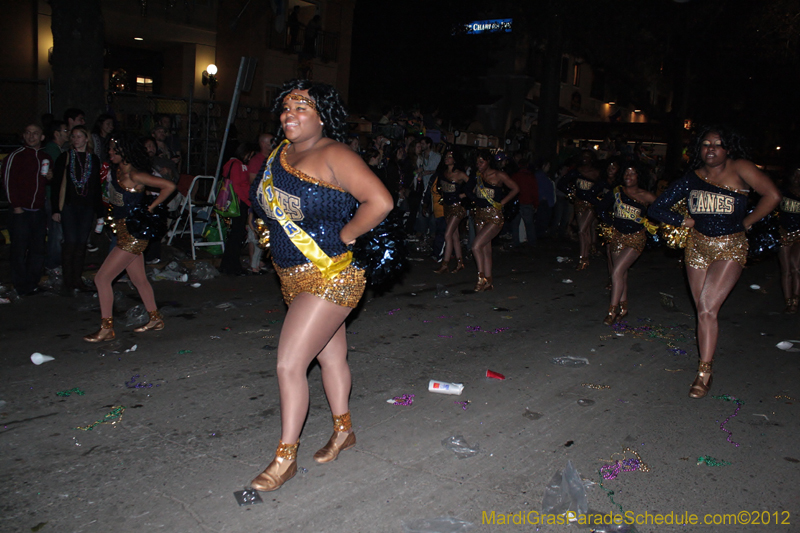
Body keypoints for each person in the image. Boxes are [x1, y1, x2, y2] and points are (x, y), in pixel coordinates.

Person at [248, 80, 392, 492]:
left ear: (322, 114)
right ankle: (344, 431)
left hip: (333, 273)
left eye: (301, 107)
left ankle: (284, 458)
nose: (288, 114)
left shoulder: (335, 154)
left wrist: (347, 236)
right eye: (285, 107)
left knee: (289, 364)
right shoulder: (280, 154)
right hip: (291, 275)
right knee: (331, 358)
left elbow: (380, 201)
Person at [648, 125, 781, 398]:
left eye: (717, 144)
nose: (711, 149)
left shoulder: (741, 167)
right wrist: (682, 220)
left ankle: (703, 372)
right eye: (706, 144)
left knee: (708, 308)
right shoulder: (692, 178)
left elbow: (773, 196)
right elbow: (656, 207)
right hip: (696, 247)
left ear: (728, 148)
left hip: (730, 247)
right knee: (702, 310)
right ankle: (706, 363)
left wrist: (746, 222)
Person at [84, 133, 176, 342]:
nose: (109, 153)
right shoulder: (116, 171)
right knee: (139, 279)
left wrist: (151, 207)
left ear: (123, 152)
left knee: (102, 278)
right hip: (122, 230)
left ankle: (106, 329)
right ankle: (155, 318)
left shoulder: (135, 175)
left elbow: (169, 186)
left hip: (133, 235)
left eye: (113, 150)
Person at [596, 160, 656, 324]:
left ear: (639, 176)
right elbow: (601, 208)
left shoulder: (647, 196)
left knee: (616, 272)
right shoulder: (617, 192)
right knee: (621, 273)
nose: (628, 176)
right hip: (617, 237)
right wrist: (610, 223)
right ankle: (624, 307)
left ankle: (612, 310)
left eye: (632, 173)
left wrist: (652, 226)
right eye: (626, 173)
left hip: (636, 239)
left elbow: (661, 212)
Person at [2, 124, 53, 296]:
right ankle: (20, 285)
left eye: (35, 133)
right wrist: (16, 206)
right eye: (28, 133)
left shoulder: (45, 157)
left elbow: (45, 182)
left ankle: (32, 283)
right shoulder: (15, 156)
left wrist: (49, 177)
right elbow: (8, 182)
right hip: (21, 211)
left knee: (37, 248)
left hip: (38, 210)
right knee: (19, 249)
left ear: (42, 137)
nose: (31, 137)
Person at [51, 126, 102, 293]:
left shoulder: (93, 159)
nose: (76, 139)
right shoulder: (65, 157)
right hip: (69, 206)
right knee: (70, 242)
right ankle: (68, 281)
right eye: (73, 136)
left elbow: (96, 186)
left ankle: (77, 279)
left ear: (86, 139)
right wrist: (55, 209)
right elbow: (56, 184)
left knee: (81, 243)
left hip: (86, 206)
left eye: (79, 136)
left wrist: (100, 211)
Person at [468, 149, 519, 291]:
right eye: (477, 162)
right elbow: (472, 191)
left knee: (476, 246)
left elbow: (515, 188)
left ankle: (481, 278)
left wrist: (502, 203)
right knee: (485, 248)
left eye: (481, 162)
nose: (479, 165)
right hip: (479, 215)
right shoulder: (478, 176)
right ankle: (489, 281)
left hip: (494, 216)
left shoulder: (498, 175)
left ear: (488, 161)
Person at [219, 142, 257, 275]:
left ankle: (229, 265)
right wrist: (248, 202)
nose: (250, 158)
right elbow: (237, 186)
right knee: (237, 235)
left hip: (241, 202)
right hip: (239, 202)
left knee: (237, 235)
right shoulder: (236, 165)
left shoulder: (238, 165)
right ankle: (232, 266)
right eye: (249, 155)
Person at [434, 149, 469, 273]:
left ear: (455, 160)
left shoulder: (460, 174)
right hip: (447, 207)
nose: (447, 158)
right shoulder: (443, 173)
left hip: (457, 207)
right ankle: (460, 263)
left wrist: (462, 195)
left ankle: (445, 264)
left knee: (448, 234)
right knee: (454, 236)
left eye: (450, 156)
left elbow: (473, 187)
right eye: (446, 156)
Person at [778, 165, 800, 313]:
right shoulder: (782, 192)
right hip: (783, 232)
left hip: (799, 234)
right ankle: (788, 302)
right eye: (796, 175)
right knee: (785, 269)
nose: (797, 178)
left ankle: (795, 301)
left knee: (796, 268)